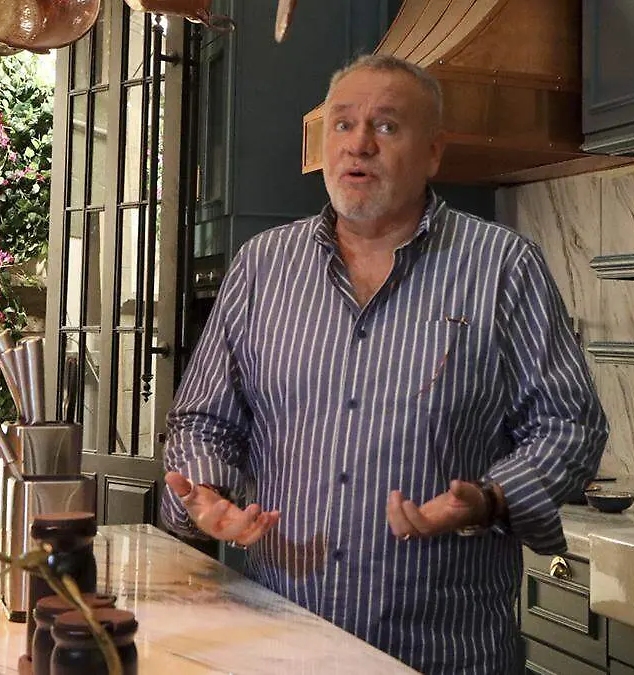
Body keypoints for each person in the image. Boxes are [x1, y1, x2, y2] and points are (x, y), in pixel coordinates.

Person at [159, 53, 608, 674]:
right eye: (342, 125)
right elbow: (204, 420)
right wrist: (206, 492)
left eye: (387, 127)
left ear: (433, 153)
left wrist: (488, 499)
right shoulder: (262, 266)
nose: (359, 144)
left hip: (446, 653)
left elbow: (570, 424)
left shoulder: (504, 266)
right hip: (281, 644)